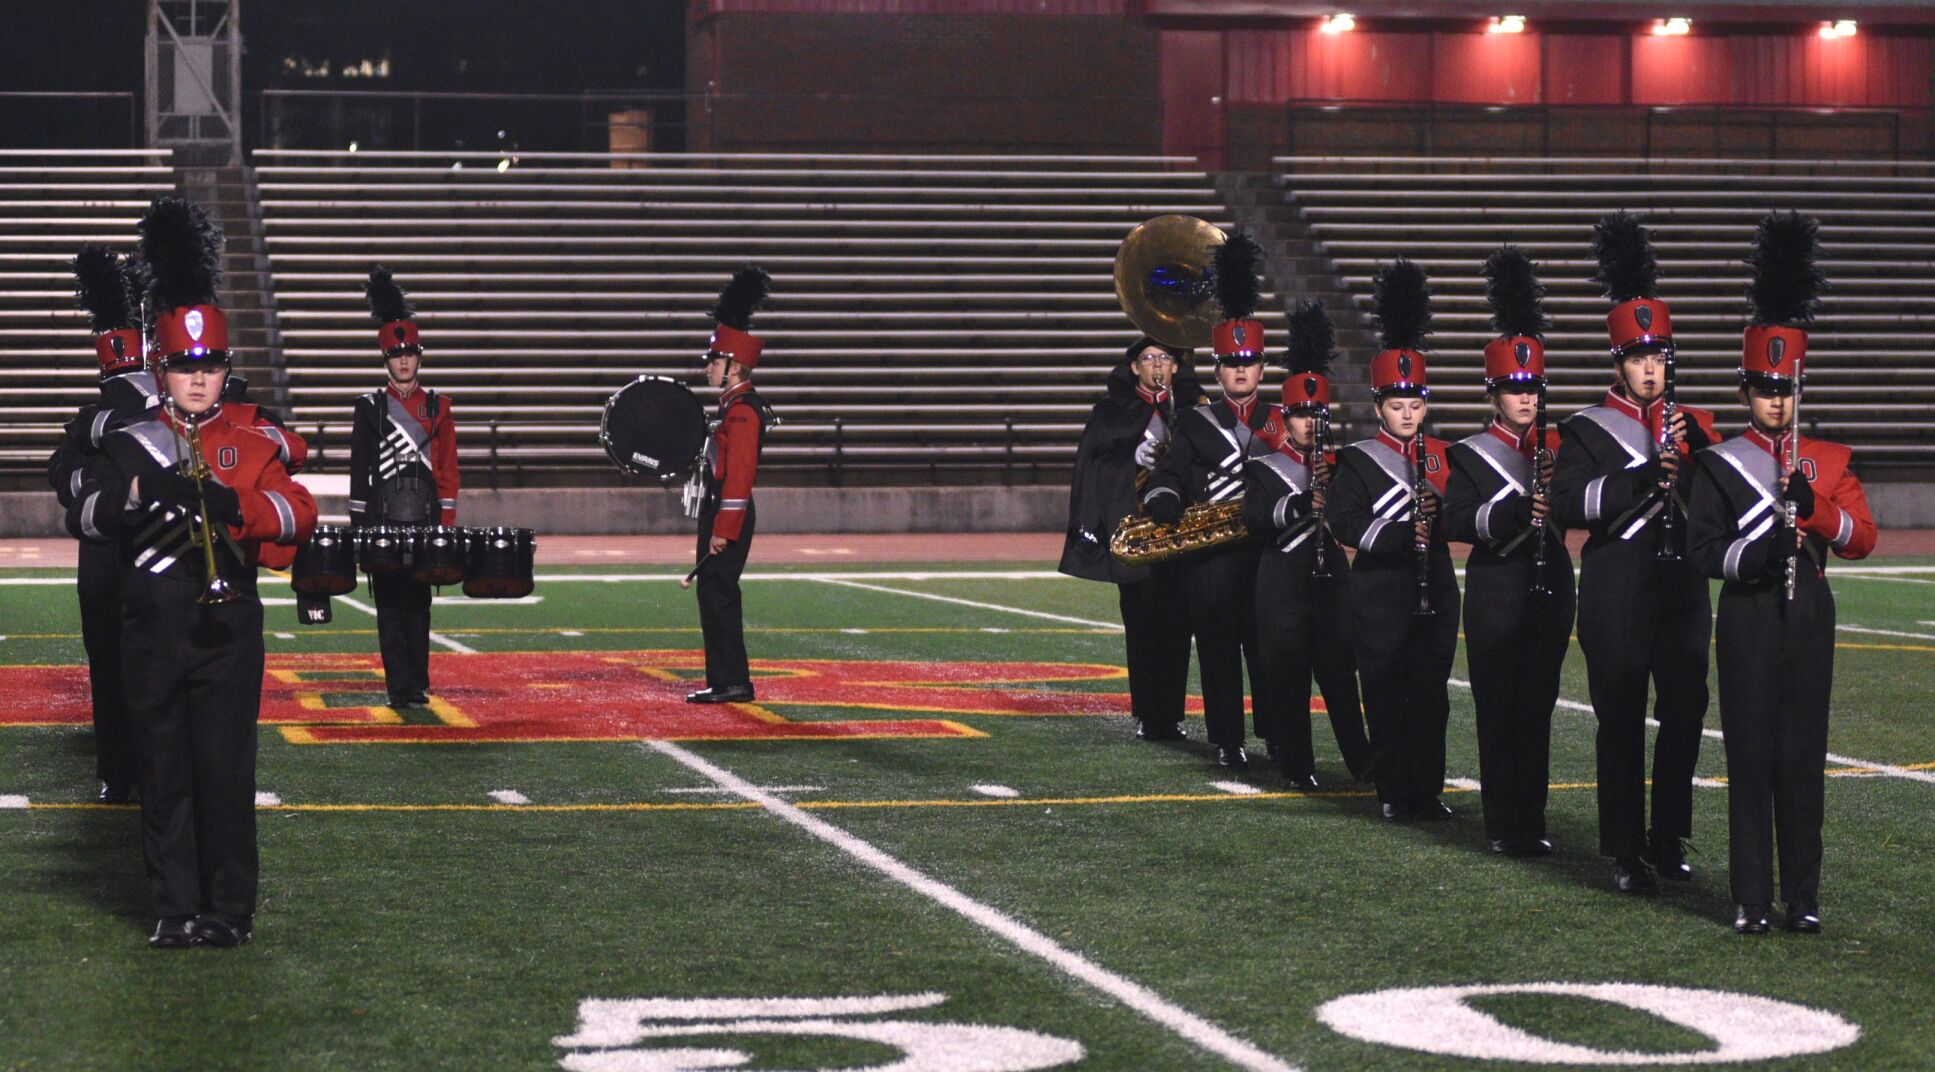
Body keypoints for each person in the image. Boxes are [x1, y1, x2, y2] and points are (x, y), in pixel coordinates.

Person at [70, 197, 317, 948]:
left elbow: (299, 512)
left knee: (221, 771)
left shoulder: (253, 437)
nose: (199, 380)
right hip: (150, 620)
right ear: (162, 369)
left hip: (225, 625)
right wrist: (141, 492)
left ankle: (227, 911)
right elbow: (80, 504)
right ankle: (172, 907)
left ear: (225, 370)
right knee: (163, 771)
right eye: (185, 366)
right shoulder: (130, 440)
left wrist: (236, 510)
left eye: (210, 367)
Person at [1688, 212, 1875, 935]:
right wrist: (1758, 553)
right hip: (1745, 615)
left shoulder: (1825, 460)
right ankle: (1749, 898)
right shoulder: (1719, 463)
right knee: (1751, 756)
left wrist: (1816, 512)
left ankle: (1802, 896)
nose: (1776, 402)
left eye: (1785, 390)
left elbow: (1862, 539)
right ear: (1745, 391)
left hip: (1807, 618)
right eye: (1764, 390)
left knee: (1802, 759)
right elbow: (1706, 550)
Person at [1551, 213, 1721, 895]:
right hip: (1616, 587)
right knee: (1617, 717)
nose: (1648, 369)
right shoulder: (1586, 430)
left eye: (1658, 357)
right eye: (1636, 358)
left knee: (1684, 712)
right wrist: (1636, 479)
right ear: (1616, 362)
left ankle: (1666, 835)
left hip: (1680, 588)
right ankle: (1622, 847)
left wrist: (1694, 461)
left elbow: (1719, 505)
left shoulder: (1696, 428)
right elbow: (1566, 506)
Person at [1442, 247, 1574, 855]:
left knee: (1539, 706)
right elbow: (1454, 518)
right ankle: (1502, 822)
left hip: (1550, 587)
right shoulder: (1468, 453)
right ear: (1493, 392)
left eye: (1532, 388)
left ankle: (1534, 819)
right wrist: (1516, 509)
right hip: (1496, 589)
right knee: (1498, 709)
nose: (1524, 399)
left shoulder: (1560, 444)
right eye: (1513, 389)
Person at [1327, 259, 1459, 822]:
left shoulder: (1444, 456)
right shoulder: (1356, 459)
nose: (1408, 414)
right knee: (1384, 688)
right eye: (1397, 405)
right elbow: (1344, 520)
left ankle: (1426, 789)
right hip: (1380, 587)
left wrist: (1444, 518)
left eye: (1416, 404)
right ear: (1379, 407)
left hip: (1437, 585)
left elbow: (1465, 516)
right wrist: (1407, 535)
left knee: (1431, 693)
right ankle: (1390, 789)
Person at [1143, 232, 1274, 768]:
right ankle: (1228, 740)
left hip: (1269, 553)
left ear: (1262, 368)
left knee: (1269, 652)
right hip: (1213, 557)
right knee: (1219, 651)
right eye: (1230, 363)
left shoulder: (1281, 421)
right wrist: (1165, 500)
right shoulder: (1197, 421)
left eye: (1249, 363)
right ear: (1217, 370)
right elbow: (1165, 475)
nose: (1240, 371)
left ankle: (1279, 734)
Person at [1242, 299, 1370, 787]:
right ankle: (1298, 767)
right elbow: (1256, 518)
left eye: (1319, 413)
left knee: (1341, 677)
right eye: (1300, 414)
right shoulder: (1264, 466)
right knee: (1289, 679)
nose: (1310, 423)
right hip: (1282, 583)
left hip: (1333, 581)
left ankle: (1361, 760)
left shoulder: (1344, 466)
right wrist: (1301, 504)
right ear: (1287, 418)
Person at [48, 246, 158, 803]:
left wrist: (95, 485)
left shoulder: (87, 422)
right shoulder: (136, 416)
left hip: (105, 559)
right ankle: (140, 769)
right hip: (136, 554)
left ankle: (118, 774)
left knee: (112, 671)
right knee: (143, 670)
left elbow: (63, 477)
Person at [1059, 334, 1203, 741]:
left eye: (1164, 357)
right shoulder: (1111, 412)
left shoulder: (1194, 409)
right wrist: (1130, 457)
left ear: (1176, 367)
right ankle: (1146, 711)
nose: (1157, 365)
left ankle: (1171, 714)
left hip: (1181, 534)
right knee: (1141, 624)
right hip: (1135, 534)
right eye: (1148, 358)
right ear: (1134, 367)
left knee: (1179, 625)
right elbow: (1094, 464)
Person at [349, 268, 458, 708]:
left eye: (410, 353)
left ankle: (419, 682)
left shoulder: (439, 407)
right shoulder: (370, 408)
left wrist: (446, 523)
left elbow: (448, 470)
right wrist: (360, 527)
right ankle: (399, 686)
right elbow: (360, 472)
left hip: (425, 519)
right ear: (385, 360)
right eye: (396, 355)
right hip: (383, 519)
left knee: (419, 604)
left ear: (419, 357)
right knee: (390, 606)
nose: (404, 362)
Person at [687, 267, 776, 704]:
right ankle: (725, 679)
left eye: (714, 361)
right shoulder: (732, 407)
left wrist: (725, 528)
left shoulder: (742, 411)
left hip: (730, 509)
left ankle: (731, 682)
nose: (708, 367)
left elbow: (739, 476)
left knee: (718, 592)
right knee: (713, 591)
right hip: (726, 508)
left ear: (734, 365)